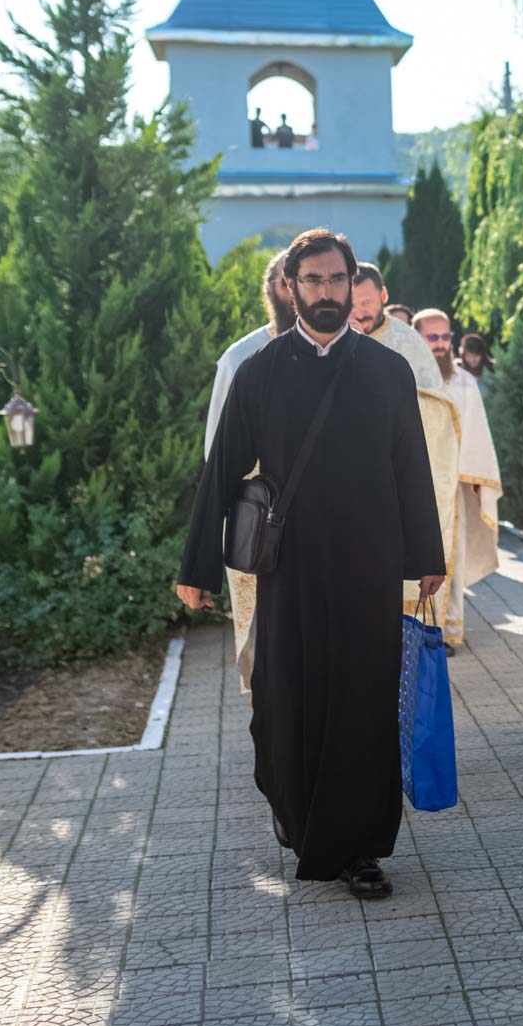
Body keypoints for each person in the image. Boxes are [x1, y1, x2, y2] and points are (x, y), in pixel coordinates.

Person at [179, 228, 447, 899]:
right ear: (290, 287)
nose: (326, 293)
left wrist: (427, 555)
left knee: (361, 701)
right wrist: (196, 566)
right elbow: (222, 471)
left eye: (336, 281)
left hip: (369, 561)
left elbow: (410, 466)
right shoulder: (260, 373)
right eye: (313, 281)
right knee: (284, 697)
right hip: (290, 566)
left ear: (354, 285)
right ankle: (294, 809)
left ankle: (360, 849)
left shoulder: (387, 371)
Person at [350, 263, 462, 626]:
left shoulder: (407, 341)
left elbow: (436, 407)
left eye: (367, 301)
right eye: (353, 302)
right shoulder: (337, 339)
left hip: (397, 471)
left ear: (383, 297)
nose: (360, 310)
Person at [205, 251, 294, 693]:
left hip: (326, 523)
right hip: (260, 521)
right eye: (284, 280)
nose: (294, 289)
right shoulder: (241, 358)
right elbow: (217, 457)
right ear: (273, 289)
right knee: (264, 647)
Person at [414, 307, 503, 648]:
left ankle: (446, 633)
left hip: (451, 490)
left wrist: (479, 481)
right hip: (411, 486)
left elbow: (478, 434)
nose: (440, 344)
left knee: (452, 557)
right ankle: (410, 627)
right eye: (432, 337)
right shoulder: (403, 374)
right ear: (416, 336)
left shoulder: (464, 382)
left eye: (445, 337)